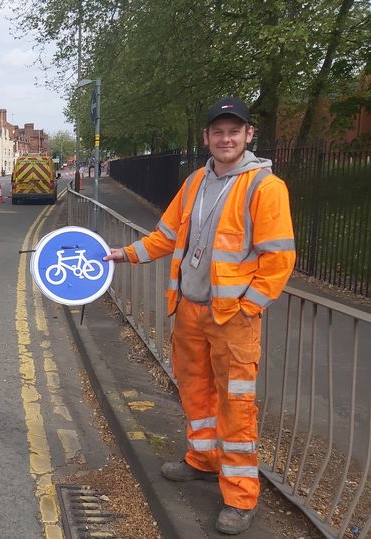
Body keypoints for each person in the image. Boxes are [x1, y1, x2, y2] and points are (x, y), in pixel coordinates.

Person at [103, 96, 296, 535]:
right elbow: (166, 236)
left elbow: (279, 258)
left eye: (234, 130)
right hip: (189, 310)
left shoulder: (266, 188)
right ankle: (203, 460)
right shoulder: (195, 182)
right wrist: (123, 254)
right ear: (207, 138)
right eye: (217, 131)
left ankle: (240, 497)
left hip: (234, 319)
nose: (225, 138)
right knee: (195, 393)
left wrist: (248, 307)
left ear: (249, 135)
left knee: (236, 406)